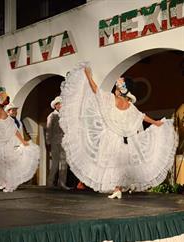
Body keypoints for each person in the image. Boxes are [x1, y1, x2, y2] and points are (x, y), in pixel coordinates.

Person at [59, 62, 177, 199]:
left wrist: (89, 77)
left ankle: (117, 188)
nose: (115, 88)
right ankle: (117, 188)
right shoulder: (128, 105)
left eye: (117, 87)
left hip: (111, 138)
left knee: (113, 164)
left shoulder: (112, 100)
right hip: (119, 139)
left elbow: (96, 90)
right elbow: (142, 116)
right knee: (118, 165)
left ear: (121, 89)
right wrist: (156, 122)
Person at [46, 96, 71, 190]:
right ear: (55, 106)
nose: (61, 105)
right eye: (59, 104)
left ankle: (62, 183)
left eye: (61, 104)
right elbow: (48, 129)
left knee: (64, 163)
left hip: (64, 142)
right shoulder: (52, 116)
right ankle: (50, 183)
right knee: (55, 163)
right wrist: (48, 141)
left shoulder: (65, 116)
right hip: (55, 142)